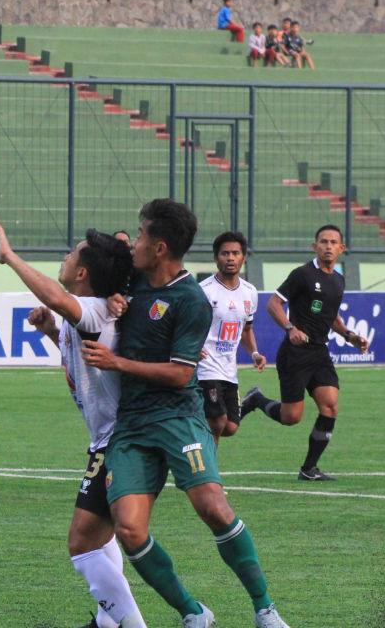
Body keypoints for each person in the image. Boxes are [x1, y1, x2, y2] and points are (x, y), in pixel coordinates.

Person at [82, 199, 290, 628]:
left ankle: (265, 608)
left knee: (213, 507)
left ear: (159, 247)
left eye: (141, 235)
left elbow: (180, 374)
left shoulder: (191, 301)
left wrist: (116, 362)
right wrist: (114, 295)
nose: (135, 241)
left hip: (178, 417)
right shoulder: (132, 280)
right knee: (129, 529)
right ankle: (193, 613)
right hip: (132, 424)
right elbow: (95, 264)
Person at [0, 220, 144, 628]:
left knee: (81, 542)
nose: (65, 257)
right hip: (111, 437)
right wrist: (49, 331)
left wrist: (9, 258)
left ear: (83, 273)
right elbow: (74, 344)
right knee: (102, 535)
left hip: (118, 440)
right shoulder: (91, 315)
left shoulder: (94, 310)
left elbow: (58, 297)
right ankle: (107, 622)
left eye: (72, 254)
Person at [240, 224, 368, 481]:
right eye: (323, 242)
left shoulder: (338, 280)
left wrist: (349, 336)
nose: (328, 246)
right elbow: (273, 304)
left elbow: (332, 317)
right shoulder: (302, 274)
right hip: (295, 353)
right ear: (315, 246)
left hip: (319, 352)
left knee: (330, 406)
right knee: (291, 417)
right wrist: (290, 327)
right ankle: (257, 399)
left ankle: (309, 468)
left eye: (334, 242)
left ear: (341, 249)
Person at [198, 232, 264, 445]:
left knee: (230, 427)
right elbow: (189, 326)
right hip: (205, 366)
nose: (230, 258)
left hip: (229, 369)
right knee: (217, 422)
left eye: (235, 253)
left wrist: (254, 352)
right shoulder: (204, 291)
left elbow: (246, 329)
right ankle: (208, 473)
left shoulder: (250, 292)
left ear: (243, 257)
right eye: (225, 253)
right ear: (215, 258)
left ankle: (191, 428)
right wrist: (192, 348)